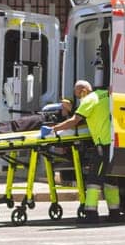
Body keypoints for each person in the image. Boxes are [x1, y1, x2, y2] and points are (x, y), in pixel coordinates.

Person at [46, 80, 118, 224]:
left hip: (103, 145)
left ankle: (91, 213)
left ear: (84, 90)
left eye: (79, 94)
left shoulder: (89, 100)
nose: (79, 98)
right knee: (110, 179)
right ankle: (115, 212)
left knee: (93, 180)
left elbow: (75, 120)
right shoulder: (107, 95)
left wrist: (54, 129)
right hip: (115, 143)